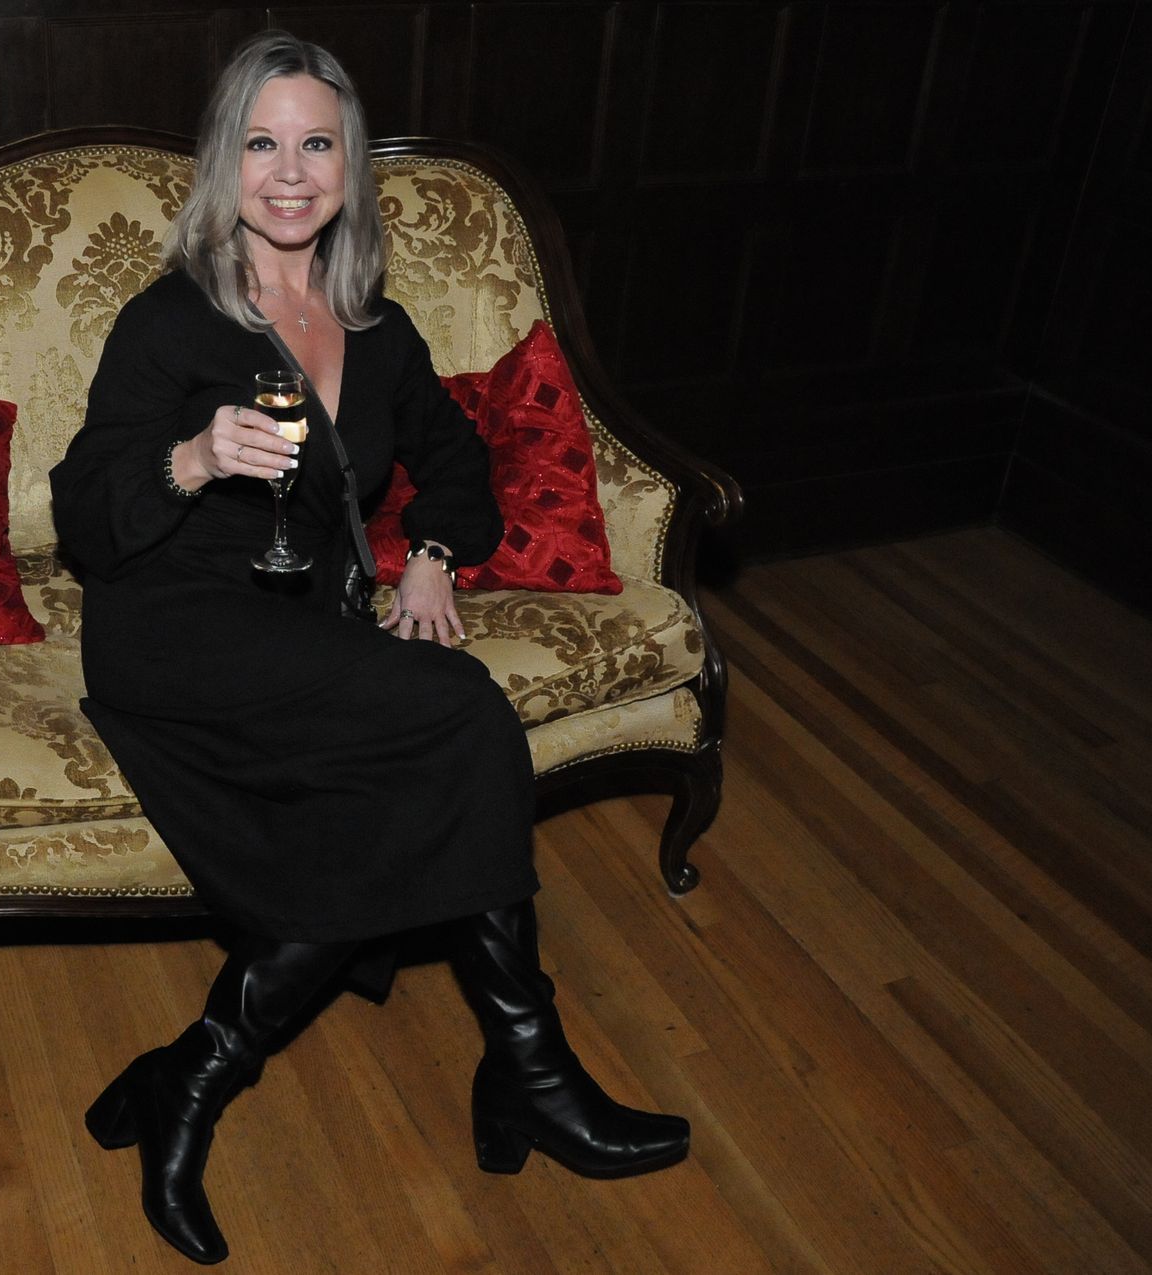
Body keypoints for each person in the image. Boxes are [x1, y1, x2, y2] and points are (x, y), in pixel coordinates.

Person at [48, 30, 689, 1265]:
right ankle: (533, 1072)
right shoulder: (171, 322)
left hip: (298, 634)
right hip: (173, 630)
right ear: (223, 165)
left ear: (350, 168)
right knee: (460, 719)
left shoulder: (376, 328)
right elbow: (84, 512)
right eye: (263, 143)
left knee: (409, 783)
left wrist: (436, 556)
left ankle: (199, 1074)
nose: (290, 173)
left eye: (317, 144)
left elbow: (455, 461)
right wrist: (190, 458)